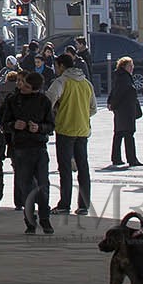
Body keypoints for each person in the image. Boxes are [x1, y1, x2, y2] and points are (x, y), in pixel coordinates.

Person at [0, 69, 55, 234]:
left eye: (26, 85)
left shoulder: (44, 101)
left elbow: (51, 125)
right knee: (26, 186)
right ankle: (30, 220)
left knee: (43, 185)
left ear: (34, 88)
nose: (22, 87)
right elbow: (3, 121)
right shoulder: (13, 100)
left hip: (39, 147)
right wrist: (13, 125)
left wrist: (39, 128)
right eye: (22, 84)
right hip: (21, 147)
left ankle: (45, 219)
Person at [48, 52, 96, 214]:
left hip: (65, 128)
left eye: (56, 66)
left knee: (65, 169)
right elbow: (93, 108)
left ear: (61, 66)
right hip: (83, 130)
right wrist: (82, 115)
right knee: (83, 168)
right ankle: (83, 205)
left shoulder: (61, 82)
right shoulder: (86, 83)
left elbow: (49, 99)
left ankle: (65, 203)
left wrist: (56, 112)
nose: (55, 69)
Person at [106, 56, 143, 168]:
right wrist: (113, 104)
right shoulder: (124, 78)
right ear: (123, 66)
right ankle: (131, 159)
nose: (132, 68)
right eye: (130, 66)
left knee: (119, 134)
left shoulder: (122, 76)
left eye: (132, 65)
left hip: (123, 109)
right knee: (128, 134)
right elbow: (118, 93)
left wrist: (112, 103)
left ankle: (117, 158)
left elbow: (114, 90)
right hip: (125, 110)